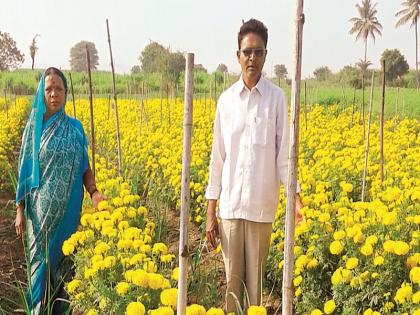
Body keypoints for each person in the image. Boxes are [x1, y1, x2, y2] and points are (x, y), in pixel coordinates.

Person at [205, 19, 304, 312]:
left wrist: (295, 194)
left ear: (265, 55)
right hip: (231, 209)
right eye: (247, 52)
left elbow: (285, 154)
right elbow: (217, 158)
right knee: (232, 288)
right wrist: (211, 212)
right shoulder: (225, 102)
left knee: (256, 290)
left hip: (261, 209)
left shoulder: (276, 98)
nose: (252, 58)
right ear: (238, 55)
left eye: (258, 52)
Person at [14, 67, 105, 314]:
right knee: (39, 271)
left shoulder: (75, 128)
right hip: (40, 216)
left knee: (65, 272)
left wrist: (94, 192)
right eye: (49, 89)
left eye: (59, 89)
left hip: (68, 214)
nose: (54, 93)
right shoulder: (34, 130)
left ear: (66, 93)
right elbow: (25, 170)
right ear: (42, 93)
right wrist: (20, 209)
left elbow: (85, 167)